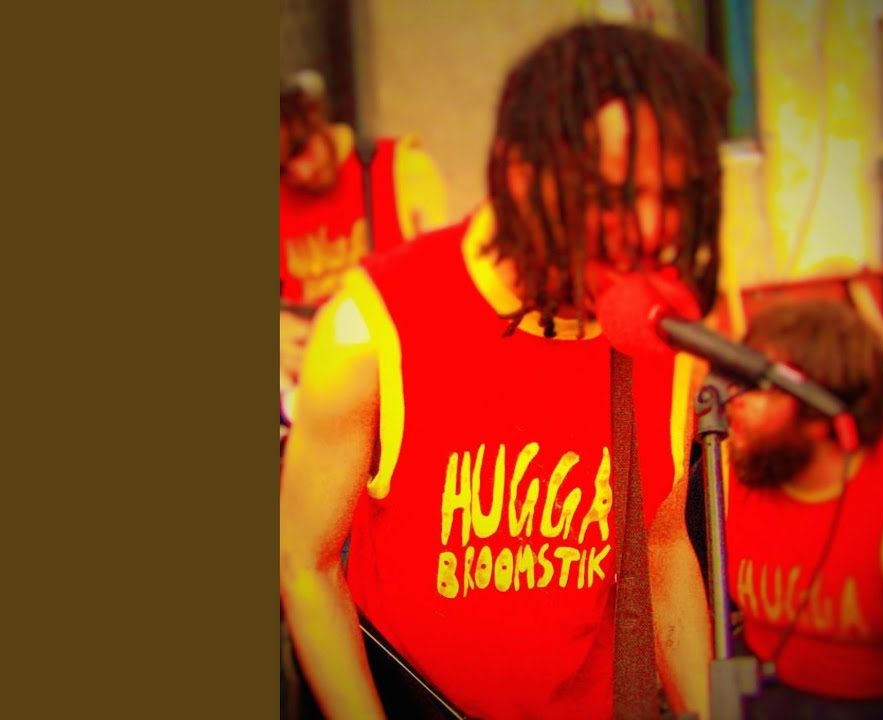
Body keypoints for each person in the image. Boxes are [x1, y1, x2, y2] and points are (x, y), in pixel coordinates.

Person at [279, 22, 729, 720]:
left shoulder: (662, 337)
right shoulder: (372, 326)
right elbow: (305, 567)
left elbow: (663, 549)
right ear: (523, 171)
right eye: (615, 194)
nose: (648, 229)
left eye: (670, 197)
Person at [650, 299, 883, 720]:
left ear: (821, 411)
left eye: (758, 388)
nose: (735, 401)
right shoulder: (734, 465)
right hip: (767, 694)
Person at [279, 69, 448, 407]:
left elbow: (447, 292)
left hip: (397, 387)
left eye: (300, 149)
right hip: (309, 401)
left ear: (314, 114)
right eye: (281, 168)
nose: (301, 172)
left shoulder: (402, 169)